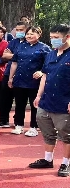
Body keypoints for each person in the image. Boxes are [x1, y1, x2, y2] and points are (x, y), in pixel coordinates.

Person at [30, 24, 70, 177]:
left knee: (66, 134)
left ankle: (66, 163)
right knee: (47, 131)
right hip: (46, 100)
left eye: (56, 38)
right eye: (51, 37)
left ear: (67, 37)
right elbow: (45, 76)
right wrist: (39, 95)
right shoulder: (51, 54)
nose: (53, 40)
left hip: (64, 101)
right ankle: (48, 159)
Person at [9, 26, 51, 137]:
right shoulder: (20, 46)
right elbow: (14, 63)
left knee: (34, 104)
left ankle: (34, 127)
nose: (29, 36)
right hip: (20, 79)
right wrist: (10, 77)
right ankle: (19, 125)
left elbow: (49, 64)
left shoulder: (44, 48)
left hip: (35, 82)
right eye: (28, 34)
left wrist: (41, 72)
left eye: (32, 33)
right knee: (19, 104)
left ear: (39, 35)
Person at [0, 21, 29, 128]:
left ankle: (18, 122)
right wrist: (21, 56)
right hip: (8, 72)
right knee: (4, 98)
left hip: (23, 74)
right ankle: (3, 119)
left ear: (27, 30)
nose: (19, 32)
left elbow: (30, 57)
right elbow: (5, 55)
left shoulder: (30, 42)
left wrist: (14, 55)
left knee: (20, 99)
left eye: (21, 30)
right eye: (17, 30)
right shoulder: (13, 42)